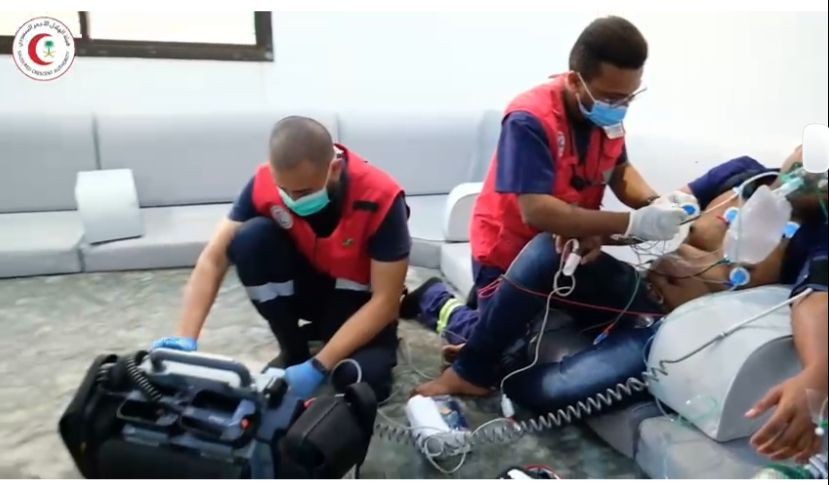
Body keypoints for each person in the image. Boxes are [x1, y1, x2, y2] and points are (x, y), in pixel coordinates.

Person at [416, 146, 828, 463]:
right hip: (637, 289)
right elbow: (658, 218)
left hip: (670, 335)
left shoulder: (819, 235)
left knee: (550, 391)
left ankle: (461, 324)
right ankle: (472, 367)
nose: (811, 170)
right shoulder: (742, 174)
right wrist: (598, 235)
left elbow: (815, 301)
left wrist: (813, 379)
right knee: (548, 250)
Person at [402, 16, 685, 364]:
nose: (620, 107)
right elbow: (535, 210)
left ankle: (491, 310)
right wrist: (633, 223)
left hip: (573, 249)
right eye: (612, 98)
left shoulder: (605, 116)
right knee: (507, 354)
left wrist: (655, 204)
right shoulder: (529, 119)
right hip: (509, 255)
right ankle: (436, 301)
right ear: (575, 80)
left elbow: (620, 170)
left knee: (621, 317)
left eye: (629, 97)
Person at [152, 116, 411, 401]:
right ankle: (293, 348)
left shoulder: (380, 196)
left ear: (334, 170)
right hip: (309, 289)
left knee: (361, 383)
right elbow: (213, 259)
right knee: (250, 239)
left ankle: (333, 348)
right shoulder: (264, 181)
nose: (292, 200)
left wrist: (318, 366)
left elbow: (385, 301)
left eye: (302, 192)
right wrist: (185, 338)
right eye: (283, 190)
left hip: (358, 303)